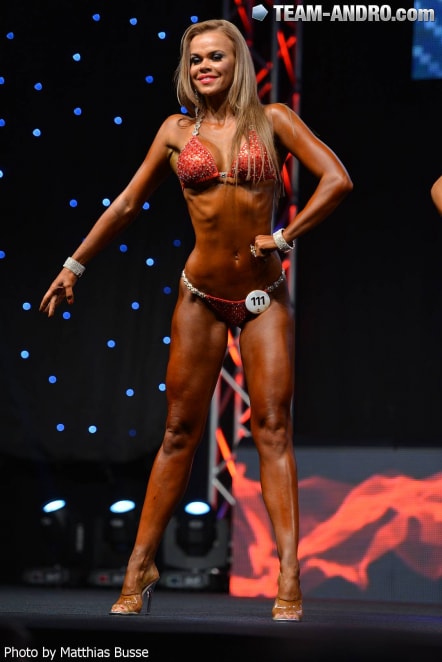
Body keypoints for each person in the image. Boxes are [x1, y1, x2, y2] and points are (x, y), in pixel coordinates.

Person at [39, 18, 353, 621]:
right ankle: (140, 567)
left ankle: (289, 574)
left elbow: (338, 180)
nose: (205, 66)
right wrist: (75, 265)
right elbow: (127, 204)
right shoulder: (175, 131)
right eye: (196, 59)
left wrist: (285, 235)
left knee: (273, 430)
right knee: (179, 432)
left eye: (216, 57)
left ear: (238, 63)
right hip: (200, 295)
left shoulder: (275, 120)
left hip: (263, 297)